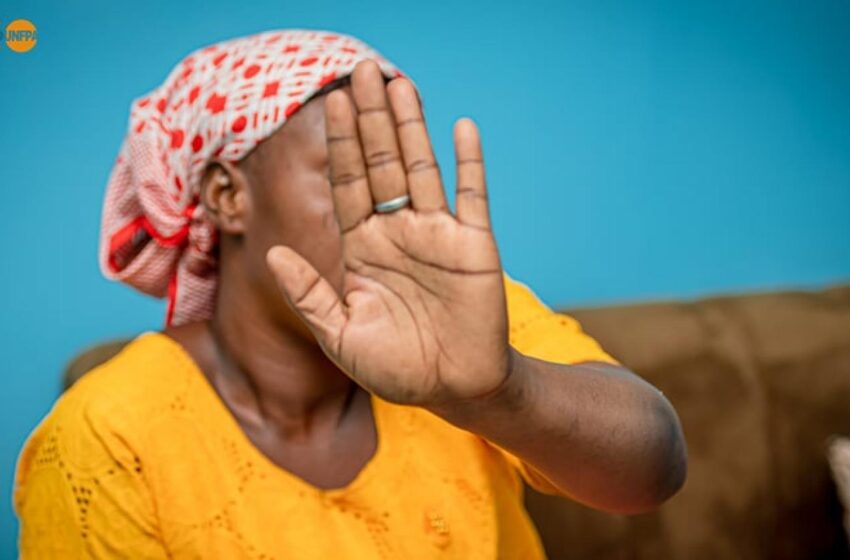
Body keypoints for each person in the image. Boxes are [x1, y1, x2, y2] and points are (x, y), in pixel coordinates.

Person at [13, 29, 687, 558]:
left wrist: (493, 393)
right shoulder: (108, 438)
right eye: (351, 173)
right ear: (226, 196)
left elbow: (652, 471)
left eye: (398, 177)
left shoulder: (459, 323)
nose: (391, 214)